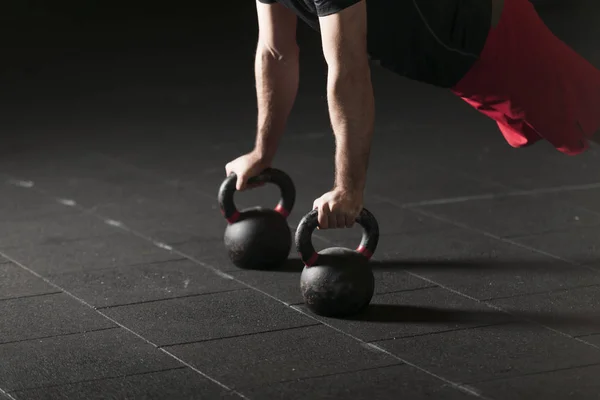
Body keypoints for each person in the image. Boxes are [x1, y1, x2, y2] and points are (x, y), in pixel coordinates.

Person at [225, 0, 600, 230]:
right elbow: (275, 52)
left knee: (591, 114)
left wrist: (348, 189)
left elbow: (348, 70)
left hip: (493, 40)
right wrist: (262, 153)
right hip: (457, 62)